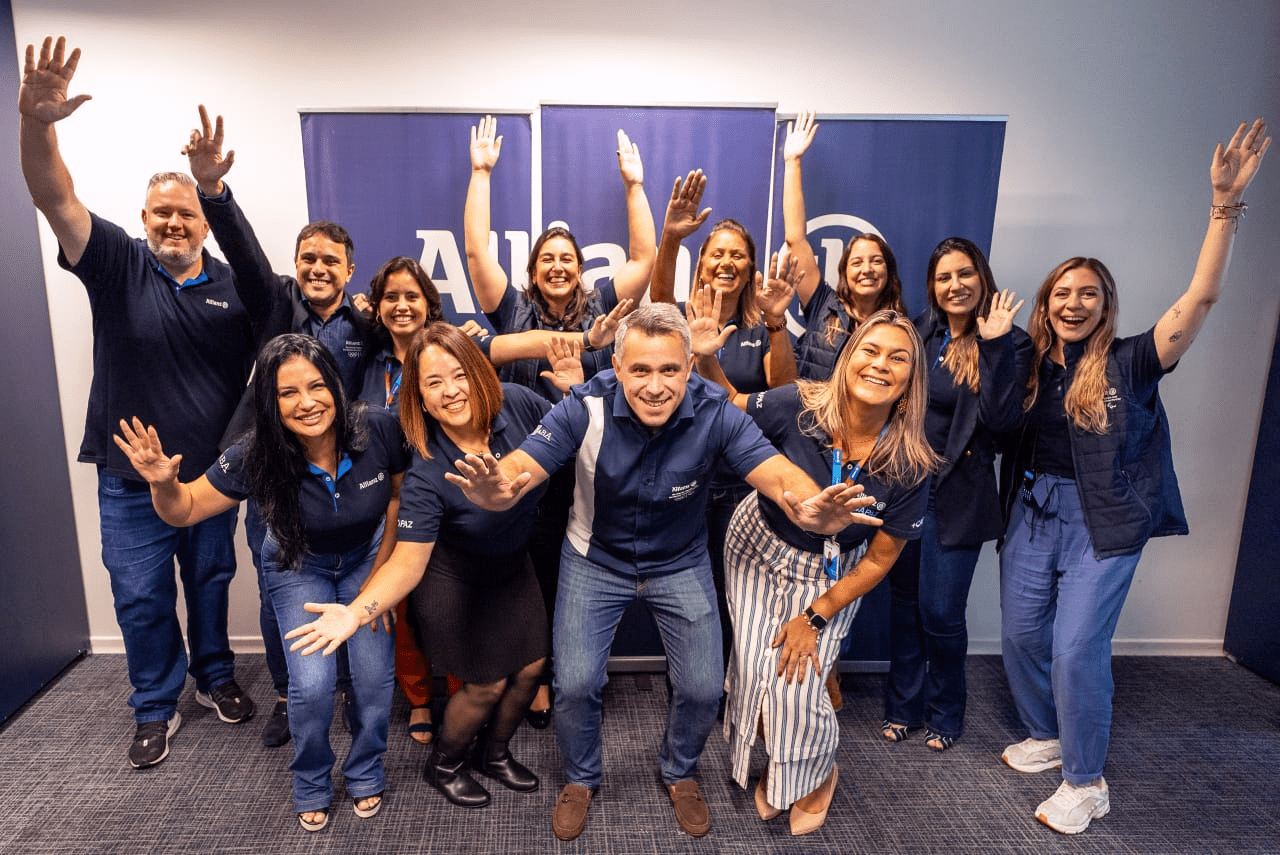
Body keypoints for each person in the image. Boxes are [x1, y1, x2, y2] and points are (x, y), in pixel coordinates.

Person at [443, 303, 876, 841]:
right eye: (640, 370)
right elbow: (523, 466)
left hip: (680, 562)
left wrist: (808, 506)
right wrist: (499, 488)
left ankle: (680, 771)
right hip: (594, 559)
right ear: (617, 368)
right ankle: (580, 779)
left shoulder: (716, 412)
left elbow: (779, 472)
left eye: (669, 370)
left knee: (699, 687)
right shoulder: (585, 405)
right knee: (575, 685)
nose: (655, 386)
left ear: (689, 367)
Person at [997, 120, 1269, 835]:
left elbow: (1200, 299)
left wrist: (1223, 208)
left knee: (1075, 645)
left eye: (1088, 292)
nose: (1074, 302)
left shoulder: (1132, 359)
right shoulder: (1028, 362)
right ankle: (1045, 730)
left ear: (1103, 302)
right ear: (1047, 301)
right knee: (1023, 633)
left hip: (1104, 520)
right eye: (1063, 292)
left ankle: (1086, 782)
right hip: (1032, 511)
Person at [18, 36, 257, 768]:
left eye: (185, 213)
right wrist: (36, 124)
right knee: (143, 596)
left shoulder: (237, 286)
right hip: (129, 481)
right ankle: (155, 701)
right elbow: (55, 195)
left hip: (207, 479)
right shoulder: (119, 265)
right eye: (161, 214)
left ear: (204, 220)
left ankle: (215, 675)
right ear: (145, 220)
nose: (173, 224)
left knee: (211, 580)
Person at [115, 334, 407, 831]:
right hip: (299, 566)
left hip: (366, 561)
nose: (307, 402)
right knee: (312, 686)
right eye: (287, 393)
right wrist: (162, 483)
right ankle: (312, 779)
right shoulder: (254, 452)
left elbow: (398, 503)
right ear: (269, 403)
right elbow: (183, 510)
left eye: (317, 386)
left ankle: (365, 767)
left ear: (335, 386)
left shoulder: (378, 427)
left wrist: (382, 581)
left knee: (374, 679)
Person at [286, 323, 562, 810]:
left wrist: (577, 385)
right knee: (487, 682)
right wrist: (357, 611)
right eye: (433, 383)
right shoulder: (428, 470)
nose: (451, 391)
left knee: (533, 667)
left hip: (512, 566)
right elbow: (410, 563)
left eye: (458, 374)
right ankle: (447, 762)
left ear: (478, 372)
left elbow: (570, 434)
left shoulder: (519, 403)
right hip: (452, 578)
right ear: (420, 397)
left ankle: (493, 754)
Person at [185, 105, 380, 747]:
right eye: (307, 258)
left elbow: (415, 337)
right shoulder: (274, 301)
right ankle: (287, 691)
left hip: (342, 476)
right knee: (279, 593)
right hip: (271, 475)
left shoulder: (365, 325)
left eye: (330, 260)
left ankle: (346, 690)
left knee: (351, 585)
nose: (317, 268)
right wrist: (213, 192)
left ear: (350, 269)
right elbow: (241, 250)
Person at [707, 310, 935, 835]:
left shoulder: (913, 463)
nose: (880, 365)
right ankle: (794, 768)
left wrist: (813, 617)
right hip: (757, 547)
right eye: (870, 351)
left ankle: (815, 775)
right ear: (847, 357)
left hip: (831, 575)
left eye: (897, 358)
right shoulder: (798, 402)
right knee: (758, 670)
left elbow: (880, 558)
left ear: (910, 381)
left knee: (794, 683)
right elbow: (732, 404)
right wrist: (703, 357)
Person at [464, 113, 656, 725]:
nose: (557, 267)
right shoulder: (512, 310)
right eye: (547, 258)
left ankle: (568, 673)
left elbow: (647, 256)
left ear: (580, 267)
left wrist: (634, 186)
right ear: (534, 268)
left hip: (593, 469)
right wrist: (481, 173)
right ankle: (535, 672)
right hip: (526, 470)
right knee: (529, 572)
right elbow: (474, 251)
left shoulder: (602, 307)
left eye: (566, 258)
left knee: (579, 573)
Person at [882, 238, 1031, 752]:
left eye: (964, 274)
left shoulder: (1010, 342)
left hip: (958, 495)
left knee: (941, 612)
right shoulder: (918, 332)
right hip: (905, 491)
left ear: (981, 277)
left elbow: (1004, 422)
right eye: (944, 277)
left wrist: (993, 345)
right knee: (903, 606)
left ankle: (946, 711)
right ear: (933, 286)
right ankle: (902, 707)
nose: (955, 285)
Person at [650, 169, 800, 676]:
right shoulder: (683, 314)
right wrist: (671, 238)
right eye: (718, 252)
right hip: (688, 478)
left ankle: (735, 687)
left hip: (742, 485)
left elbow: (783, 395)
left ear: (751, 265)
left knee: (739, 595)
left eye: (738, 254)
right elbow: (657, 293)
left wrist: (777, 322)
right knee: (693, 598)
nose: (727, 262)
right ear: (702, 260)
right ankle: (694, 690)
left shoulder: (765, 326)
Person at [782, 112, 907, 381]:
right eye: (857, 262)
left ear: (888, 270)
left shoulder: (900, 326)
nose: (867, 269)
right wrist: (793, 162)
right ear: (844, 272)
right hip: (814, 421)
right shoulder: (822, 304)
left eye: (876, 261)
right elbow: (795, 239)